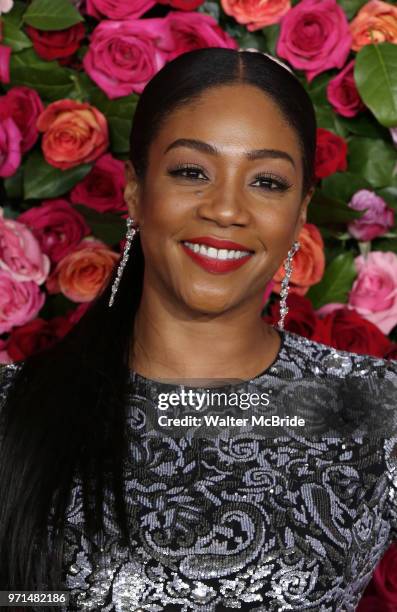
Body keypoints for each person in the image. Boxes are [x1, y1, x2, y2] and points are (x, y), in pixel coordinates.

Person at [0, 47, 396, 612]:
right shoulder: (16, 411)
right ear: (135, 189)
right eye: (192, 172)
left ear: (301, 211)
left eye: (267, 181)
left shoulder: (377, 408)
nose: (227, 209)